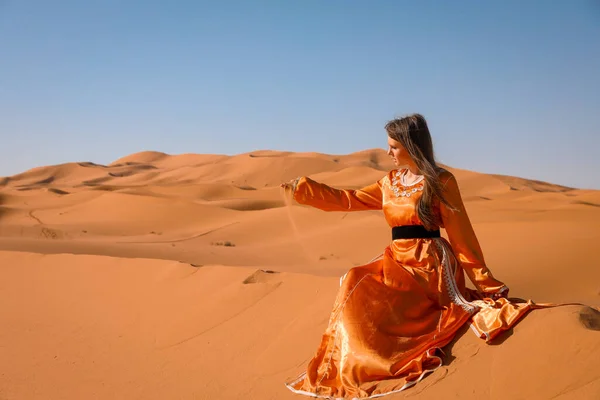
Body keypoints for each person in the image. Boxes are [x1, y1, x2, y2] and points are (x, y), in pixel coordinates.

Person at [280, 114, 546, 399]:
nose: (388, 153)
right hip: (396, 259)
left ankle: (391, 358)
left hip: (430, 264)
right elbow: (349, 199)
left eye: (393, 146)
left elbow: (461, 235)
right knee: (355, 279)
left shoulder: (440, 181)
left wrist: (487, 285)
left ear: (411, 145)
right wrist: (306, 190)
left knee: (407, 304)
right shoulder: (390, 182)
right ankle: (358, 362)